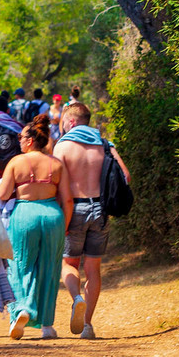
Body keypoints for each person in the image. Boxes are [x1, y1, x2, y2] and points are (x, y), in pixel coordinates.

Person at [0, 112, 74, 339]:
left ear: (29, 141)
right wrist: (64, 225)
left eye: (20, 138)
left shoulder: (16, 162)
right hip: (52, 216)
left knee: (19, 265)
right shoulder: (56, 164)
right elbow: (67, 199)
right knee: (50, 268)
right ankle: (47, 326)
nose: (18, 141)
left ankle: (23, 309)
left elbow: (3, 194)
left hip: (24, 214)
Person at [58, 104, 130, 339]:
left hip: (75, 208)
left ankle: (76, 299)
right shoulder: (105, 144)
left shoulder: (64, 146)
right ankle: (87, 324)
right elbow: (125, 176)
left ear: (70, 122)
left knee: (68, 263)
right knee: (93, 268)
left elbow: (57, 184)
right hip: (101, 209)